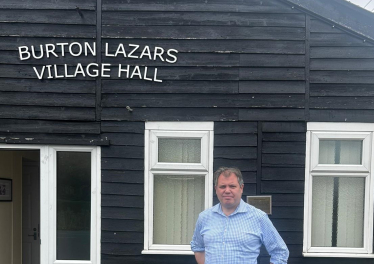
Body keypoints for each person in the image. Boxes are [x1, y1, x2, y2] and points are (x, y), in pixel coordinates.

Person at [191, 167, 289, 264]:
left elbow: (280, 252)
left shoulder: (259, 217)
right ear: (216, 189)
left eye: (232, 186)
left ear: (241, 188)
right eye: (222, 186)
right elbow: (198, 248)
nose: (227, 191)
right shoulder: (204, 217)